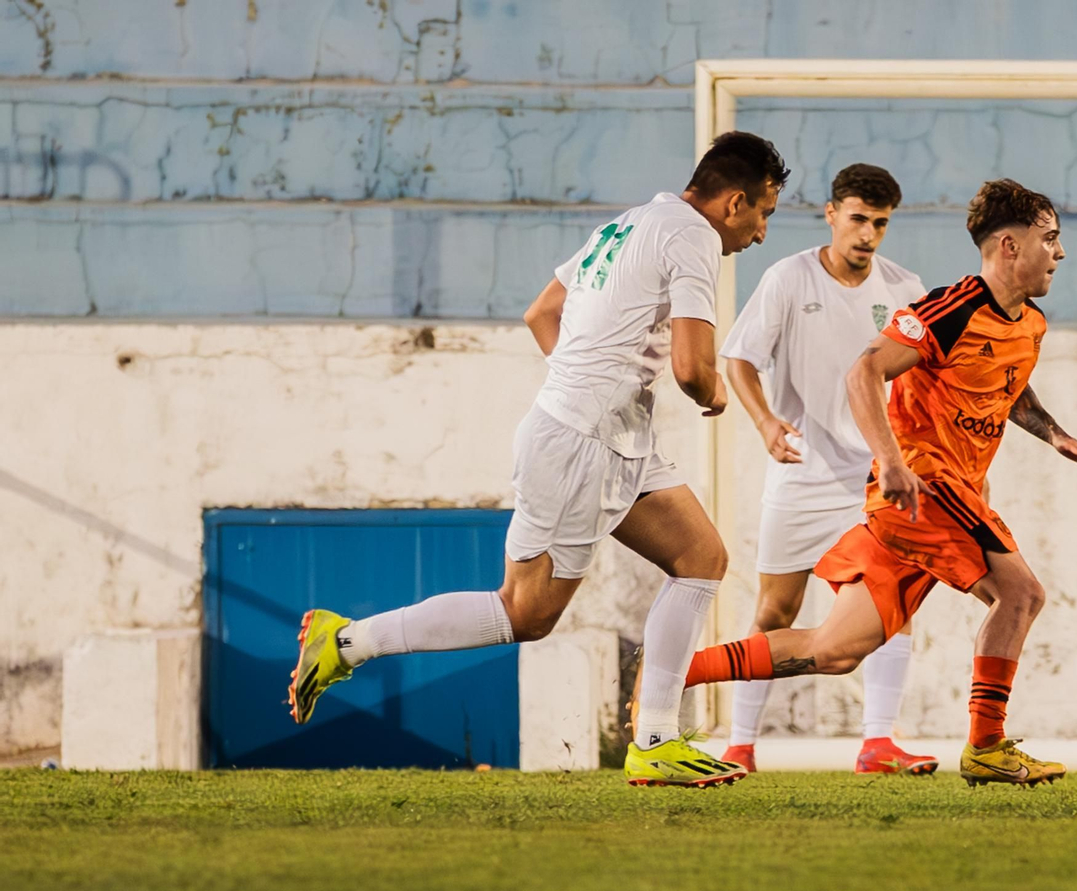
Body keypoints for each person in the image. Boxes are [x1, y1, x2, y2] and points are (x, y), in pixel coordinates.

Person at [287, 131, 790, 789]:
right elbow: (694, 368)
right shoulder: (691, 236)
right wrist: (713, 394)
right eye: (764, 214)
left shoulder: (628, 223)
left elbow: (541, 312)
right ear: (733, 202)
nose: (760, 234)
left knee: (702, 559)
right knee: (525, 613)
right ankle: (346, 641)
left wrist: (590, 388)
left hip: (616, 437)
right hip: (581, 444)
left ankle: (658, 740)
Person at [671, 178, 1077, 786]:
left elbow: (1007, 386)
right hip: (924, 484)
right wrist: (894, 460)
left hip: (942, 495)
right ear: (1009, 246)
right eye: (1050, 239)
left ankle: (671, 672)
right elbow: (864, 372)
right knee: (1021, 594)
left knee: (835, 649)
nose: (1059, 253)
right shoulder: (945, 308)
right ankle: (987, 745)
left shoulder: (1029, 322)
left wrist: (1056, 435)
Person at [718, 163, 936, 775]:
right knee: (774, 612)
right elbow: (738, 359)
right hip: (802, 474)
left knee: (892, 606)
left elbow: (925, 380)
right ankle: (739, 744)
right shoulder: (789, 277)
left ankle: (877, 742)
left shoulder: (906, 287)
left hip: (875, 479)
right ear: (832, 214)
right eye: (859, 219)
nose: (868, 234)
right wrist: (764, 421)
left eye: (881, 224)